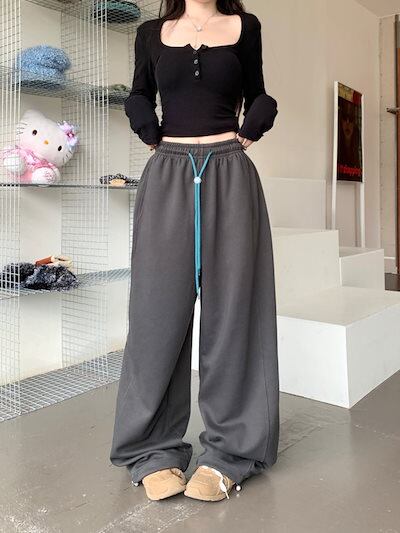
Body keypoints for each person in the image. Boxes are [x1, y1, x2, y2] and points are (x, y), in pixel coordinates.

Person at [110, 0, 280, 502]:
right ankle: (151, 450)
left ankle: (232, 452)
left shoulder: (245, 27)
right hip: (167, 171)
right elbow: (139, 93)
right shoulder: (151, 33)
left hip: (230, 169)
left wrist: (255, 122)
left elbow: (258, 92)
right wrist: (146, 124)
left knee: (234, 313)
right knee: (156, 312)